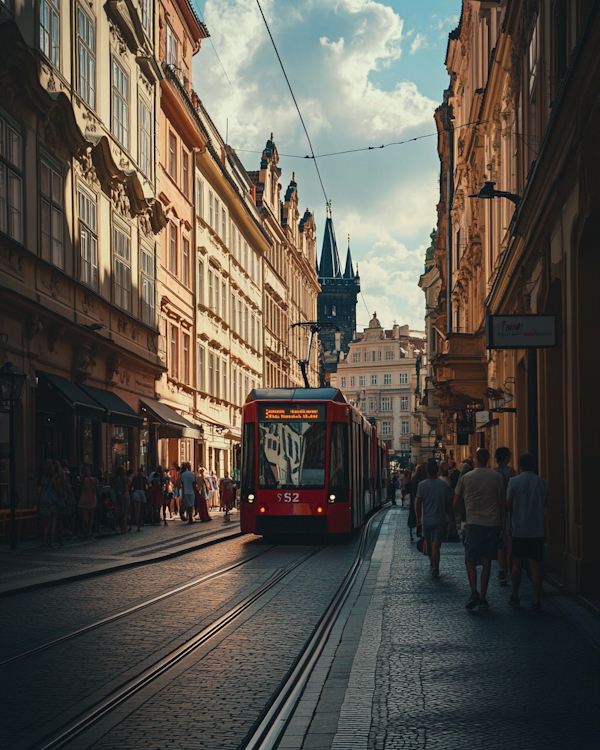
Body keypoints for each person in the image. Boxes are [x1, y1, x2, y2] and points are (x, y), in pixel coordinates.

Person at [453, 447, 505, 611]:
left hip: (473, 523)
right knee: (487, 561)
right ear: (489, 459)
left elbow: (455, 502)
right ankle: (483, 597)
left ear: (476, 459)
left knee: (470, 560)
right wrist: (504, 524)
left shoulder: (466, 477)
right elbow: (502, 503)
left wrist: (465, 515)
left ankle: (474, 591)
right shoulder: (497, 477)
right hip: (492, 523)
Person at [507, 454, 549, 611]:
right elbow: (547, 502)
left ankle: (515, 595)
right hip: (536, 529)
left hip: (519, 528)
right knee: (535, 566)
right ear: (534, 465)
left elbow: (509, 505)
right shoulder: (542, 482)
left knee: (517, 564)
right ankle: (537, 600)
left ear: (520, 465)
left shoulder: (514, 482)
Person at [415, 459, 452, 579]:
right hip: (440, 520)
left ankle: (433, 561)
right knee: (436, 545)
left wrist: (418, 519)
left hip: (427, 520)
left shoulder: (422, 485)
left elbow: (418, 503)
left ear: (427, 471)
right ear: (437, 470)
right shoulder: (443, 485)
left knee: (430, 544)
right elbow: (448, 504)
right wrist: (450, 516)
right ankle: (436, 567)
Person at [494, 447, 516, 586]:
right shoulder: (511, 472)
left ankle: (502, 569)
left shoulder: (494, 473)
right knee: (510, 542)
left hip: (497, 510)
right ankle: (508, 567)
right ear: (506, 457)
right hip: (509, 510)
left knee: (501, 543)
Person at [37, 459, 59, 547]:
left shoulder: (43, 477)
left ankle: (44, 541)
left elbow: (40, 488)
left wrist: (38, 500)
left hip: (43, 499)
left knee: (45, 523)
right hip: (51, 499)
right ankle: (50, 541)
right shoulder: (54, 476)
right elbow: (56, 487)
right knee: (52, 522)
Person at [78, 466, 99, 539]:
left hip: (84, 499)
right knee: (91, 516)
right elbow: (97, 488)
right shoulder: (92, 479)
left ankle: (87, 529)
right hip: (91, 499)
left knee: (85, 517)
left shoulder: (82, 480)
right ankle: (89, 531)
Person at [408, 464, 427, 542]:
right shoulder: (425, 479)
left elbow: (411, 489)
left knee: (414, 515)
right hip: (423, 500)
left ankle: (412, 532)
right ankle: (420, 531)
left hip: (414, 499)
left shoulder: (414, 479)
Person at [111, 465, 130, 534]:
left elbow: (113, 487)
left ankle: (122, 526)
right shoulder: (125, 478)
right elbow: (127, 487)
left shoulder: (115, 478)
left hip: (118, 496)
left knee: (120, 512)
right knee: (125, 512)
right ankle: (124, 527)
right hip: (125, 495)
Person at [130, 467, 149, 532]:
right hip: (141, 493)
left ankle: (136, 524)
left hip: (136, 493)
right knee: (140, 509)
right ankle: (140, 523)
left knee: (136, 510)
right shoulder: (143, 478)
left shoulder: (135, 478)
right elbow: (147, 486)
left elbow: (131, 486)